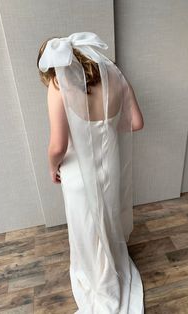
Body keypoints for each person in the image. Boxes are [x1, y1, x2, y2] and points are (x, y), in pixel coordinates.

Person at [37, 32, 144, 313]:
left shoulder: (59, 84)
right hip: (109, 166)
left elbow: (58, 145)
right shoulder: (114, 75)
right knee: (106, 220)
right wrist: (103, 131)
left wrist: (51, 167)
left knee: (86, 226)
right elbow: (135, 122)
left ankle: (98, 276)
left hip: (77, 174)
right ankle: (111, 267)